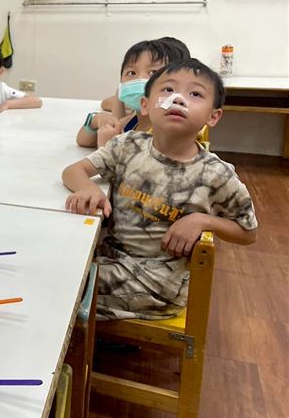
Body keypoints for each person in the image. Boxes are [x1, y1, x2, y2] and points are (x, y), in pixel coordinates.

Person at [62, 59, 258, 320]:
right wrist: (89, 189)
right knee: (56, 261)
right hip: (108, 256)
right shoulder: (127, 145)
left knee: (63, 285)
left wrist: (202, 220)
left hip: (157, 283)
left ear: (213, 116)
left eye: (195, 94)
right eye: (167, 90)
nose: (178, 99)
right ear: (145, 105)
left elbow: (248, 232)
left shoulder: (216, 174)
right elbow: (73, 171)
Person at [79, 38, 190, 148]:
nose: (139, 79)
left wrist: (106, 147)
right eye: (131, 73)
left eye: (153, 72)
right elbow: (83, 141)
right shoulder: (133, 121)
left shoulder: (167, 130)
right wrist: (96, 120)